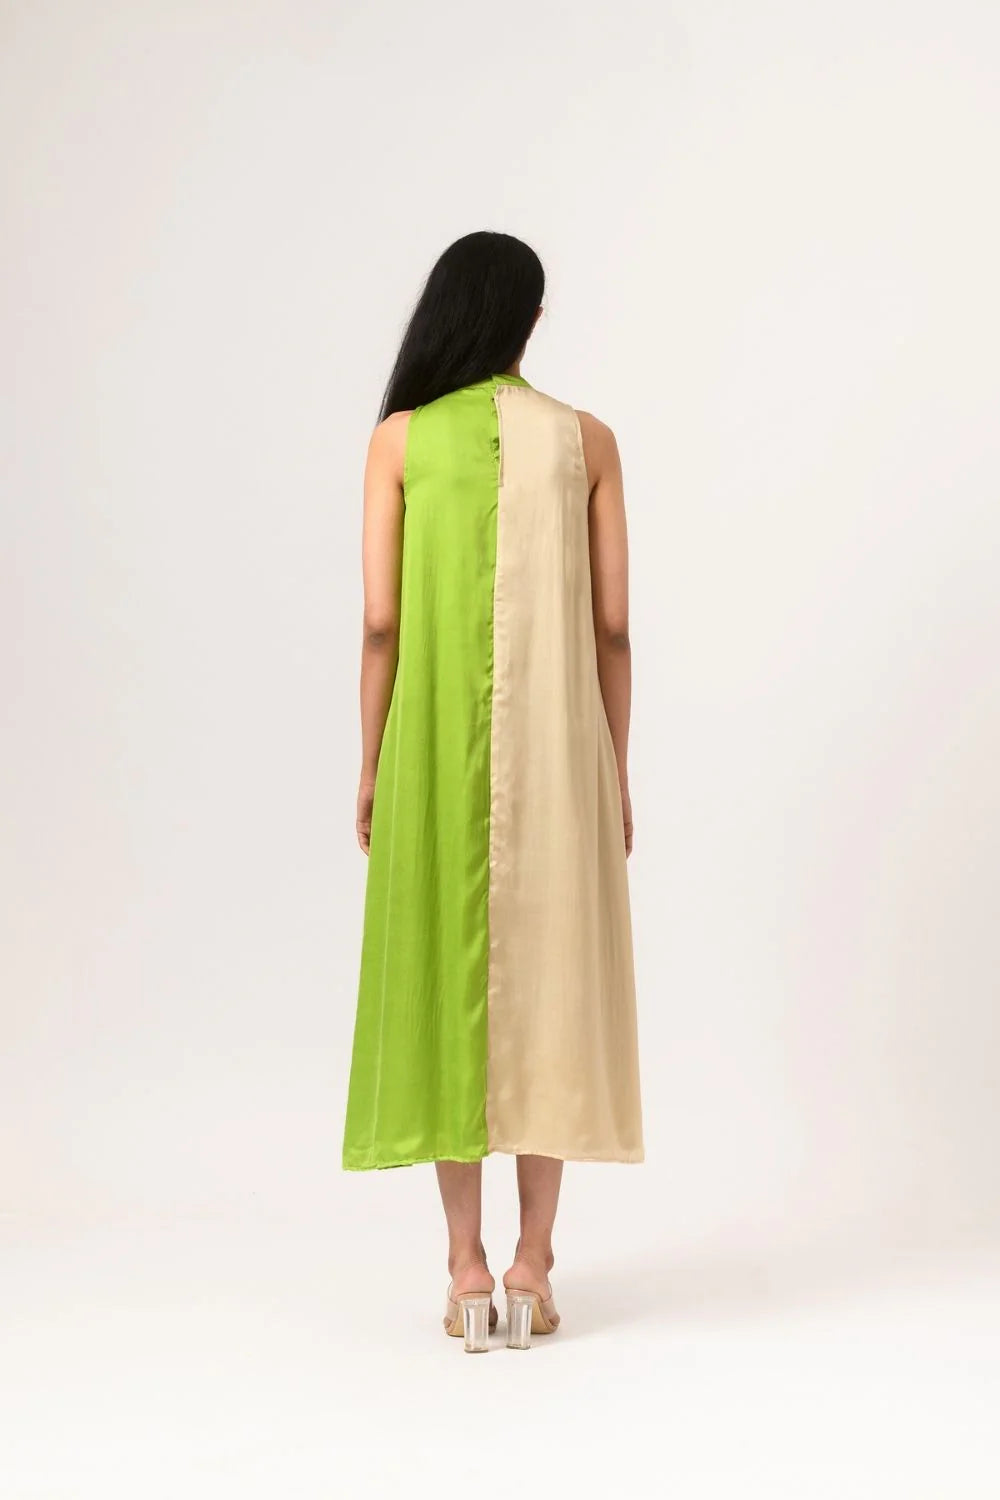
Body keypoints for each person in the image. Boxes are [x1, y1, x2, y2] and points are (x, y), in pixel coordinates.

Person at [341, 230, 643, 1351]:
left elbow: (382, 624)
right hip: (561, 750)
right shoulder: (589, 441)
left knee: (443, 976)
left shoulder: (400, 441)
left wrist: (371, 761)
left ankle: (465, 1268)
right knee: (549, 981)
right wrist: (615, 767)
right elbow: (613, 627)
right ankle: (534, 1264)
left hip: (432, 749)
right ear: (531, 321)